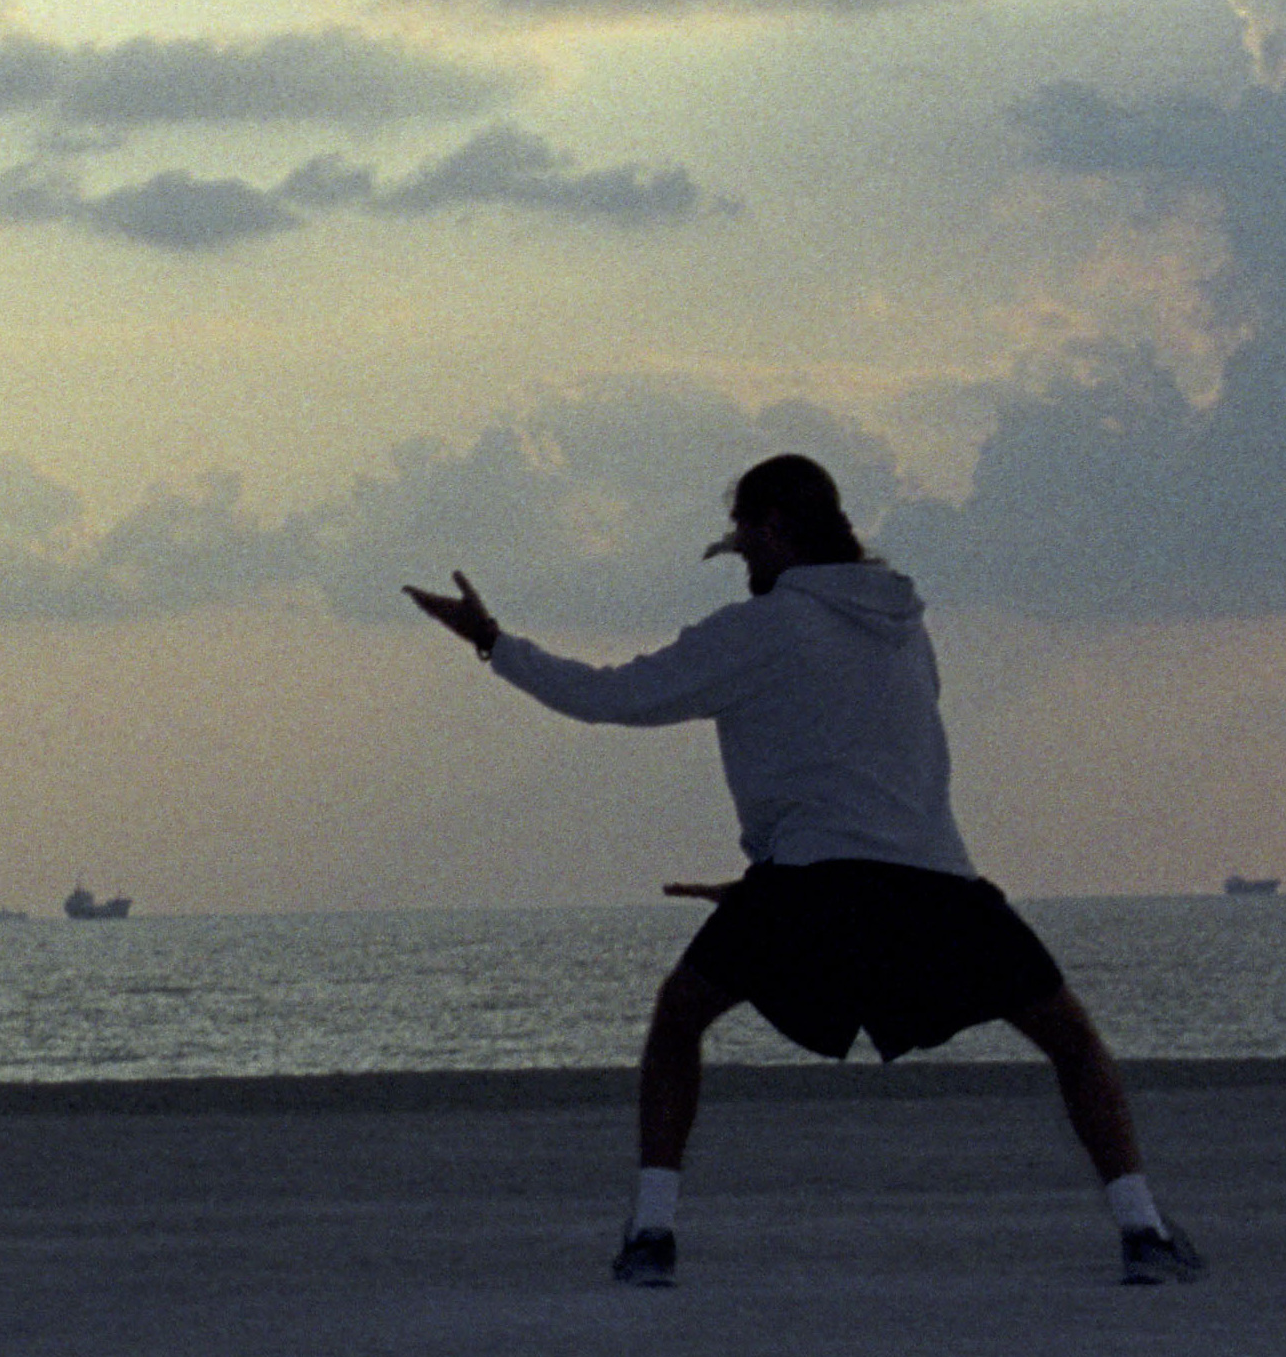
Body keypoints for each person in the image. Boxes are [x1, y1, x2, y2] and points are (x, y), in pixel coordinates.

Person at [404, 451, 1201, 1289]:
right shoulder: (905, 626)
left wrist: (492, 642)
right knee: (1071, 1039)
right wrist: (769, 880)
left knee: (680, 1017)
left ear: (777, 528)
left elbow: (611, 696)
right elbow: (894, 767)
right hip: (935, 880)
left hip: (815, 883)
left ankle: (650, 1237)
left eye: (744, 540)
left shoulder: (762, 628)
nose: (740, 559)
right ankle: (1143, 1229)